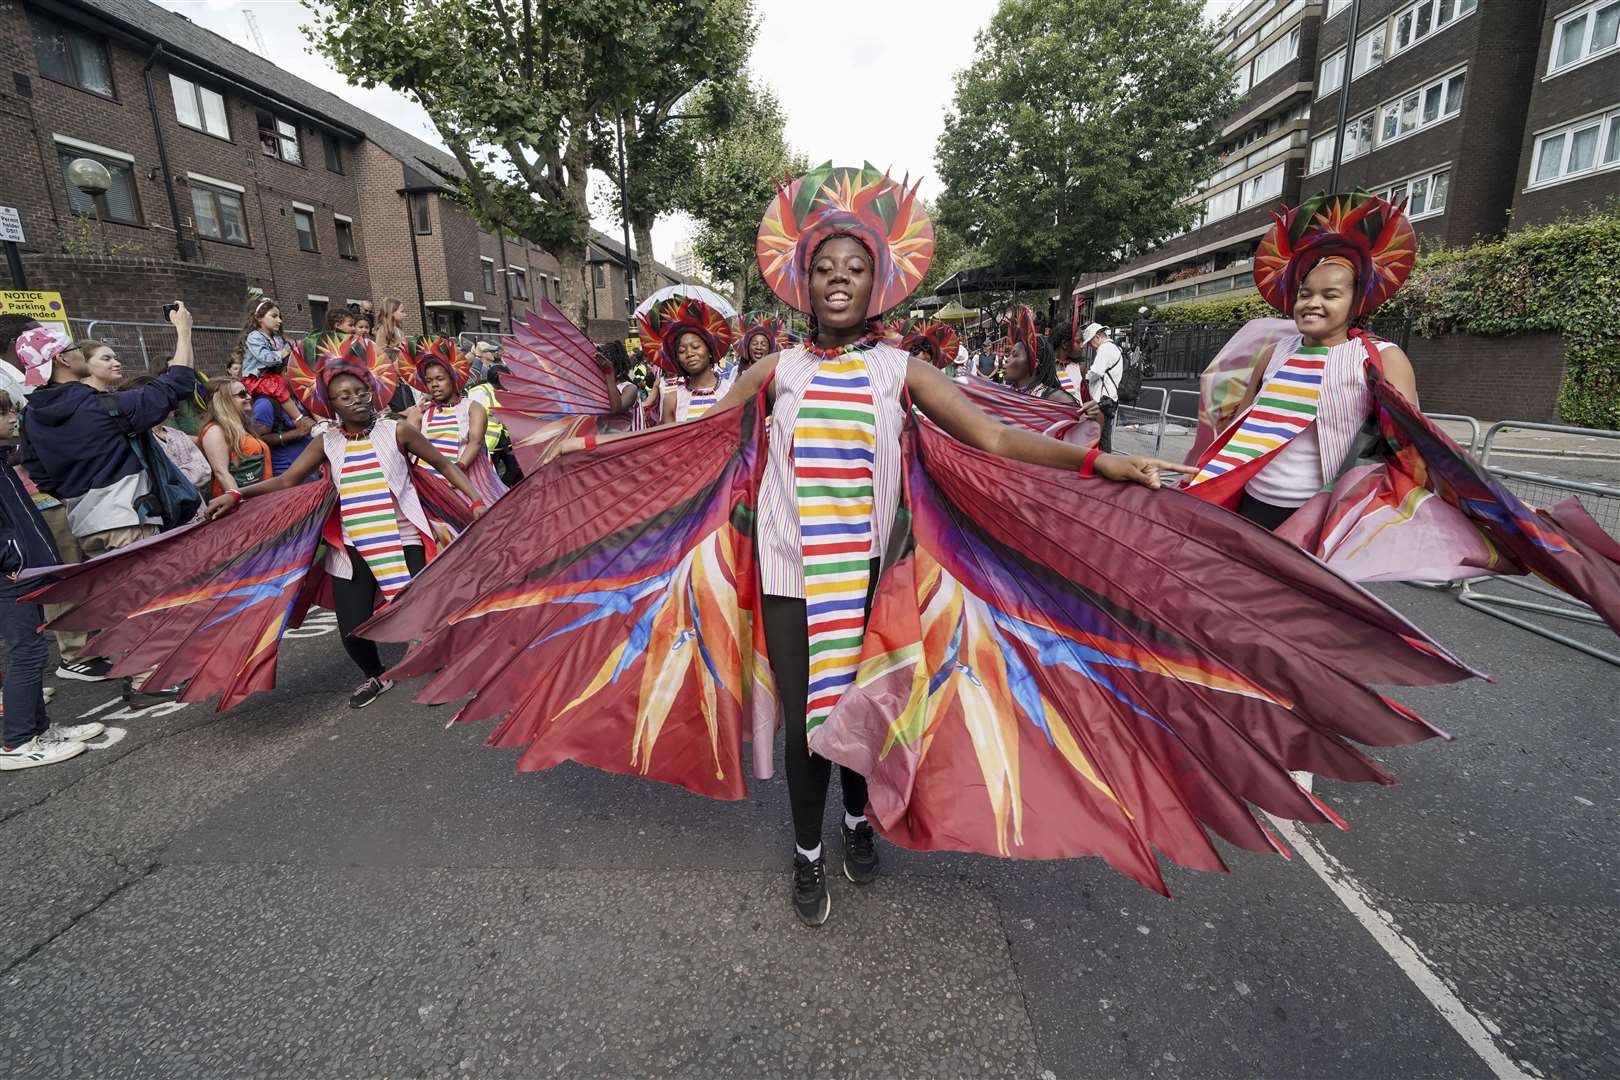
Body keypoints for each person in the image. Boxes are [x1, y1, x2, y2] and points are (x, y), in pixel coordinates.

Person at [204, 336, 486, 708]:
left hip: (403, 538)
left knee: (426, 612)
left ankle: (445, 665)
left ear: (372, 391)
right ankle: (374, 677)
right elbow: (287, 481)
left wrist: (476, 499)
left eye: (360, 391)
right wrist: (237, 494)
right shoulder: (327, 442)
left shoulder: (397, 430)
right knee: (353, 630)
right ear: (330, 404)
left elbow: (445, 465)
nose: (356, 400)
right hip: (351, 546)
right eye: (344, 396)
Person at [24, 306, 203, 558]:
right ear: (62, 359)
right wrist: (184, 330)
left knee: (122, 597)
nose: (80, 354)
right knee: (153, 592)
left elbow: (40, 474)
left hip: (85, 528)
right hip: (129, 522)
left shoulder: (29, 418)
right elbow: (177, 384)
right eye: (75, 349)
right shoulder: (101, 406)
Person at [0, 389, 106, 769]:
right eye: (5, 413)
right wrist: (12, 558)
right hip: (10, 577)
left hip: (22, 571)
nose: (14, 418)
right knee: (26, 655)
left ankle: (38, 729)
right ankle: (17, 741)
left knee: (31, 651)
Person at [400, 337, 507, 505]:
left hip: (470, 480)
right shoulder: (420, 413)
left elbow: (476, 442)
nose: (434, 385)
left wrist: (459, 468)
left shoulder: (472, 407)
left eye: (440, 379)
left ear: (452, 378)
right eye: (429, 381)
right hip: (432, 487)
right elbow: (411, 449)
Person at [639, 296, 737, 425]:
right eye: (681, 351)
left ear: (709, 352)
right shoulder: (673, 400)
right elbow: (670, 443)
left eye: (696, 347)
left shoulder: (733, 390)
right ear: (678, 360)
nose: (689, 353)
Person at [123, 373, 211, 517]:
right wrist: (185, 473)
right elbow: (155, 480)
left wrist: (173, 477)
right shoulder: (138, 440)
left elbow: (204, 470)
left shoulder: (178, 435)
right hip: (169, 517)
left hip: (198, 512)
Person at [232, 299, 302, 429]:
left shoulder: (277, 338)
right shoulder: (254, 337)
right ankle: (298, 418)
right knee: (277, 384)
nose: (279, 321)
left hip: (269, 376)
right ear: (259, 318)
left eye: (280, 317)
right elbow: (268, 359)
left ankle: (320, 418)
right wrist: (287, 349)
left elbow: (289, 351)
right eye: (274, 316)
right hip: (255, 379)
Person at [199, 379, 271, 498]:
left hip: (261, 500)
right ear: (224, 401)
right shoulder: (215, 430)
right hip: (245, 507)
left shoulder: (241, 428)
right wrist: (240, 504)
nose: (248, 396)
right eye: (242, 394)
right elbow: (221, 473)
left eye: (247, 392)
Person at [1003, 306, 1078, 404]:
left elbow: (1079, 417)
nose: (1007, 360)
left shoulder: (1056, 399)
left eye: (1015, 355)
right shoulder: (1003, 394)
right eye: (1008, 355)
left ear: (1034, 363)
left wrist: (1092, 415)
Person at [1080, 321, 1123, 452]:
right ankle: (1105, 465)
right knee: (1104, 436)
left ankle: (1102, 466)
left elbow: (1096, 371)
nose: (1091, 346)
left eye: (1091, 342)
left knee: (1099, 437)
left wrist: (1084, 378)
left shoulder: (1105, 349)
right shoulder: (1114, 348)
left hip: (1102, 400)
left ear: (1097, 337)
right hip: (1110, 399)